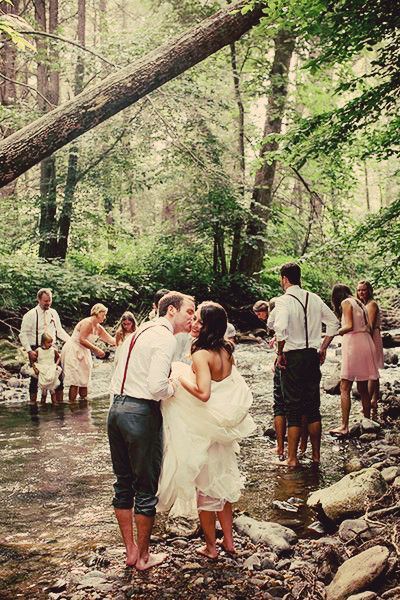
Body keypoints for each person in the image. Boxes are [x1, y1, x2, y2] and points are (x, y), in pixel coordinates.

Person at [157, 302, 255, 559]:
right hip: (220, 426)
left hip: (206, 427)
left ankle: (211, 547)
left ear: (209, 325)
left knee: (206, 487)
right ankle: (229, 542)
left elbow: (203, 393)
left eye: (199, 320)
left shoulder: (201, 354)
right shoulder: (226, 350)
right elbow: (227, 386)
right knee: (222, 481)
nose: (193, 324)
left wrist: (179, 380)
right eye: (194, 319)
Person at [107, 291, 195, 571]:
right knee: (146, 487)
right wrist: (175, 383)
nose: (192, 317)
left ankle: (130, 551)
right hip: (140, 414)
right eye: (189, 311)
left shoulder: (139, 332)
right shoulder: (165, 338)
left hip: (115, 410)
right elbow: (157, 387)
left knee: (123, 484)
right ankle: (143, 558)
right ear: (171, 311)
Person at [273, 263, 339, 467]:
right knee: (312, 407)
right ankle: (316, 456)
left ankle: (292, 459)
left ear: (284, 279)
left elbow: (280, 329)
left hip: (292, 358)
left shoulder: (283, 301)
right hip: (312, 356)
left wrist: (280, 352)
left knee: (292, 408)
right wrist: (323, 348)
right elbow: (334, 323)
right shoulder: (314, 298)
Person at [330, 284, 379, 436]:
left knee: (344, 387)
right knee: (363, 387)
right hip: (366, 342)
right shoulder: (360, 303)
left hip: (354, 345)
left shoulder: (345, 303)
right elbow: (368, 326)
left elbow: (349, 326)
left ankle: (344, 426)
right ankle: (367, 421)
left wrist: (336, 331)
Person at [268, 299, 308, 461]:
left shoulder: (281, 311)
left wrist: (278, 354)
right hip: (304, 358)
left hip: (285, 359)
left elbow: (277, 329)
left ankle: (280, 448)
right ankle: (303, 446)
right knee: (304, 404)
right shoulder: (304, 309)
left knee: (280, 405)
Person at [19, 288, 70, 405]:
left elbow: (60, 331)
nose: (48, 303)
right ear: (38, 300)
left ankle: (59, 404)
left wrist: (71, 342)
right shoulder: (30, 315)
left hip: (52, 348)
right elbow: (23, 334)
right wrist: (28, 350)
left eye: (50, 300)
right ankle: (33, 405)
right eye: (45, 301)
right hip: (36, 349)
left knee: (58, 375)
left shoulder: (54, 313)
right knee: (35, 377)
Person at [61, 303, 115, 403]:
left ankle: (83, 404)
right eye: (103, 314)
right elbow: (82, 339)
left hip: (84, 351)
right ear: (98, 313)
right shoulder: (87, 322)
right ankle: (72, 405)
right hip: (74, 349)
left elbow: (111, 340)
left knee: (84, 379)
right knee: (75, 380)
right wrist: (96, 350)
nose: (105, 317)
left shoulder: (99, 328)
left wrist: (125, 339)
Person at [356, 280, 384, 418]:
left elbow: (370, 326)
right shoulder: (362, 304)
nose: (361, 292)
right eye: (359, 290)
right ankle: (374, 400)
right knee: (373, 369)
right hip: (367, 336)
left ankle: (367, 403)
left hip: (372, 337)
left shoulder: (371, 304)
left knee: (370, 371)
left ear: (369, 290)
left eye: (364, 290)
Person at [32, 332, 62, 405]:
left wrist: (56, 365)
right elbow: (32, 360)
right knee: (44, 392)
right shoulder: (38, 350)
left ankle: (54, 405)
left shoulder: (53, 350)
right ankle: (43, 406)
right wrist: (35, 368)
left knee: (52, 391)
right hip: (43, 370)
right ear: (43, 342)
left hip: (51, 369)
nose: (50, 344)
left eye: (51, 342)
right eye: (48, 342)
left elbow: (59, 357)